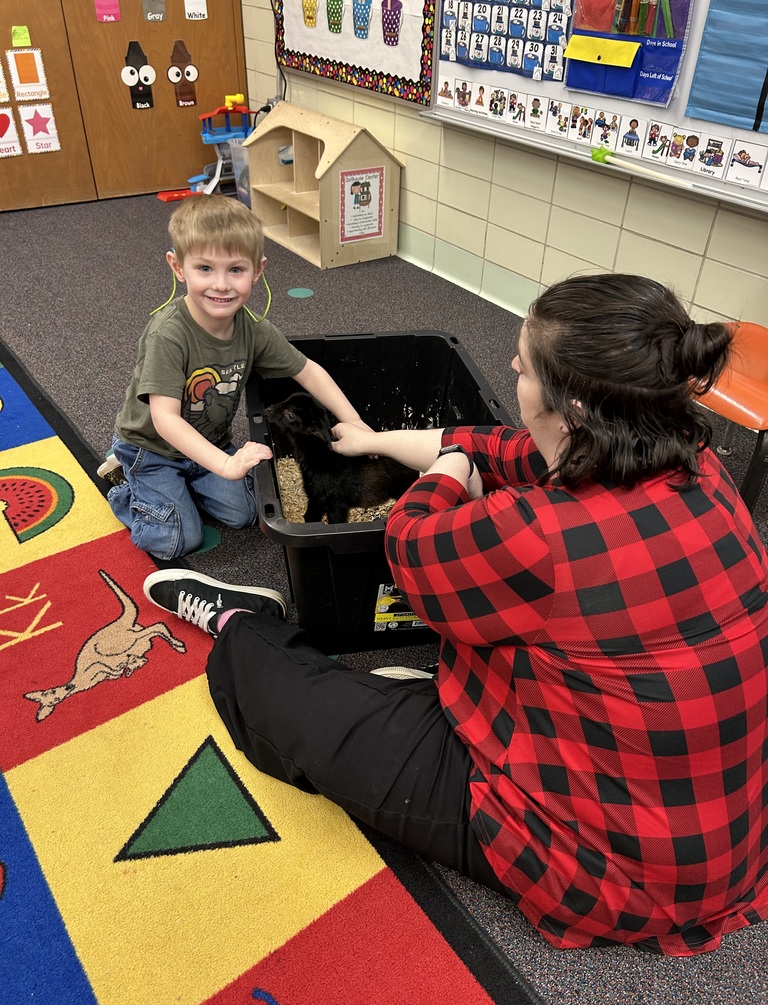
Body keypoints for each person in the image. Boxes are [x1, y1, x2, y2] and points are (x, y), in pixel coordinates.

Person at [143, 273, 768, 955]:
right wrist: (380, 439)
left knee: (280, 700)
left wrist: (444, 476)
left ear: (573, 410)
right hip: (719, 837)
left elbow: (409, 546)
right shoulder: (698, 467)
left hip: (602, 870)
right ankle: (444, 697)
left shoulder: (535, 534)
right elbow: (498, 447)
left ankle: (239, 624)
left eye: (525, 367)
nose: (512, 369)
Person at [99, 193, 367, 560]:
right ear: (178, 267)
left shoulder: (252, 328)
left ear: (257, 270)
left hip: (209, 440)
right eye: (205, 269)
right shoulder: (168, 334)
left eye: (236, 270)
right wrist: (225, 465)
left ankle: (180, 489)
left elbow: (308, 371)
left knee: (246, 515)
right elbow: (164, 420)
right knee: (177, 540)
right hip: (153, 449)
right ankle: (125, 488)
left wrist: (356, 424)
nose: (221, 285)